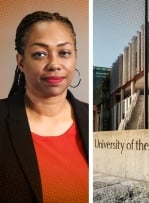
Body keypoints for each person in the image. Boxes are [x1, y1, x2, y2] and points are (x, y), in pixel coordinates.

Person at [0, 11, 88, 202]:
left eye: (64, 53)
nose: (54, 64)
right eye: (40, 54)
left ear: (75, 57)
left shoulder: (90, 118)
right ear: (21, 61)